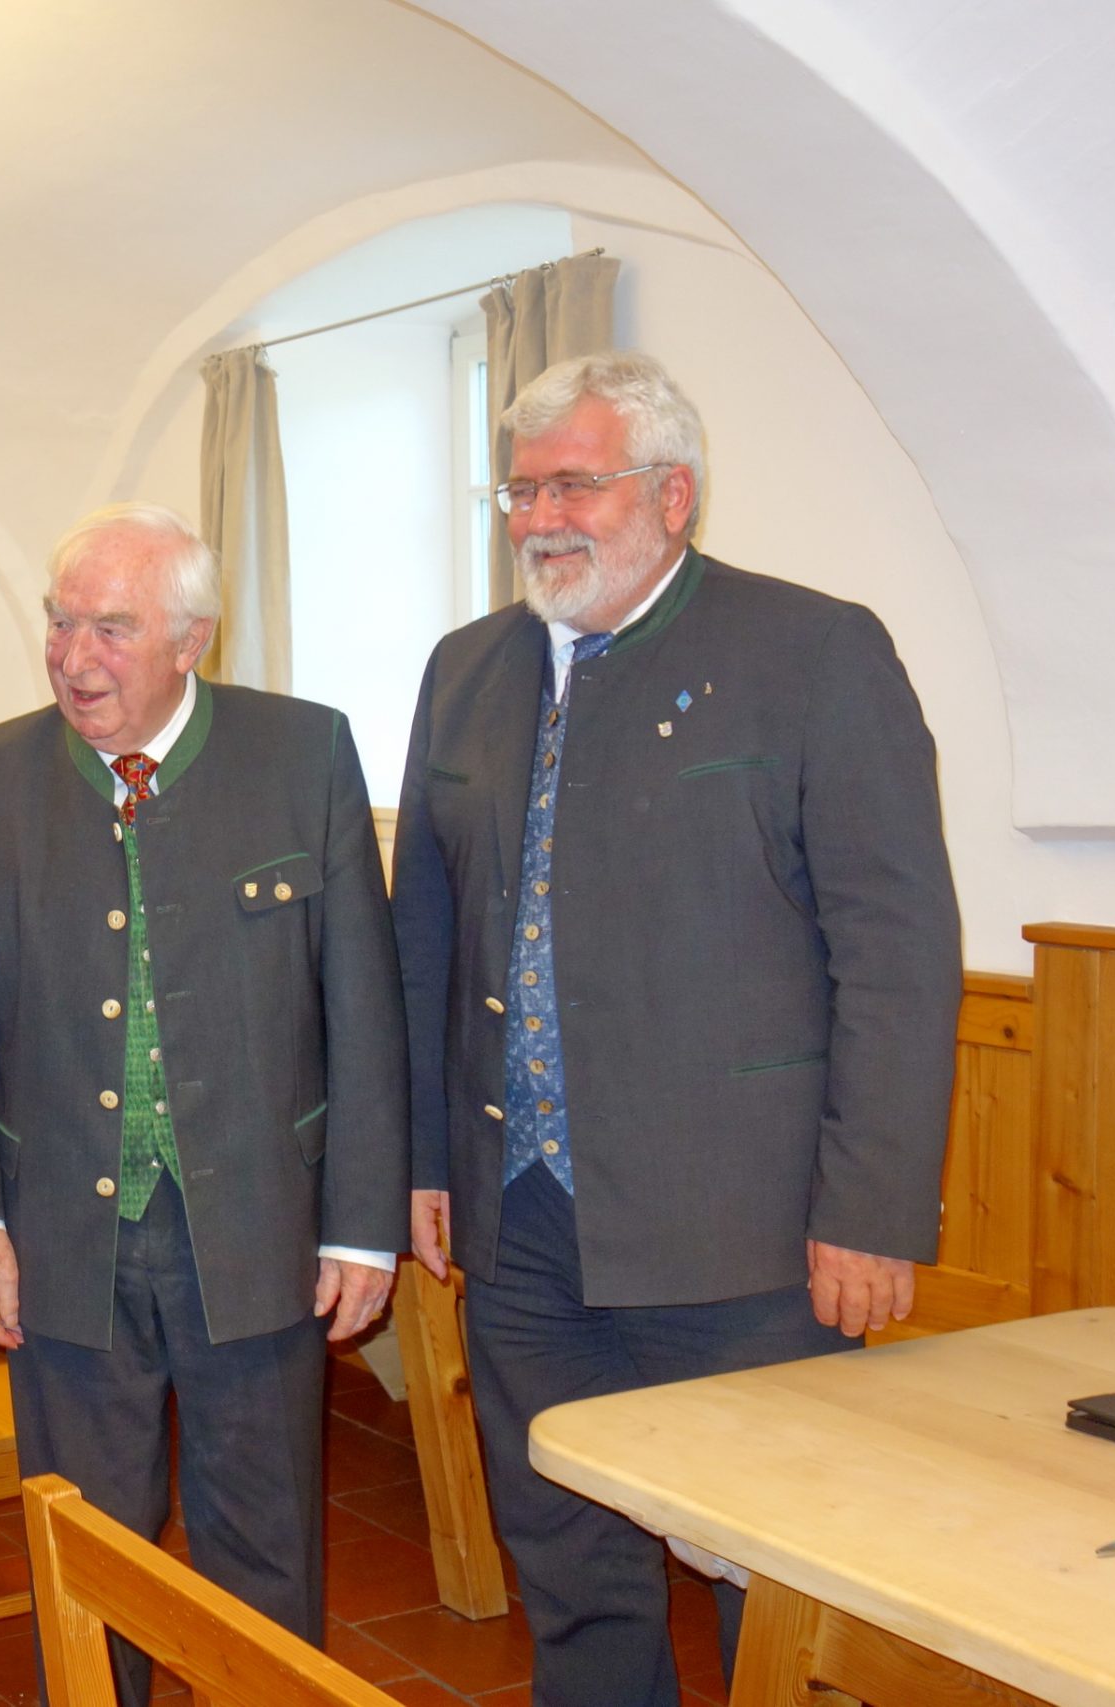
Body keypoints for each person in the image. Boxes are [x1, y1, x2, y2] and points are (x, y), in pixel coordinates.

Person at [390, 350, 961, 1705]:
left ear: (673, 494)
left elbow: (895, 949)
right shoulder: (465, 669)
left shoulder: (812, 651)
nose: (540, 518)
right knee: (568, 1561)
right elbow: (425, 940)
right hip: (521, 1225)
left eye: (573, 485)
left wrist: (872, 1209)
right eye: (521, 491)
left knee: (774, 1584)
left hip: (744, 1235)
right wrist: (424, 1161)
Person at [0, 501, 409, 1707]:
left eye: (112, 629)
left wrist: (359, 1228)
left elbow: (363, 1010)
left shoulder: (303, 754)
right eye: (60, 622)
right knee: (85, 1546)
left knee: (264, 1545)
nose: (73, 657)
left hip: (256, 1229)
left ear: (191, 640)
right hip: (61, 1234)